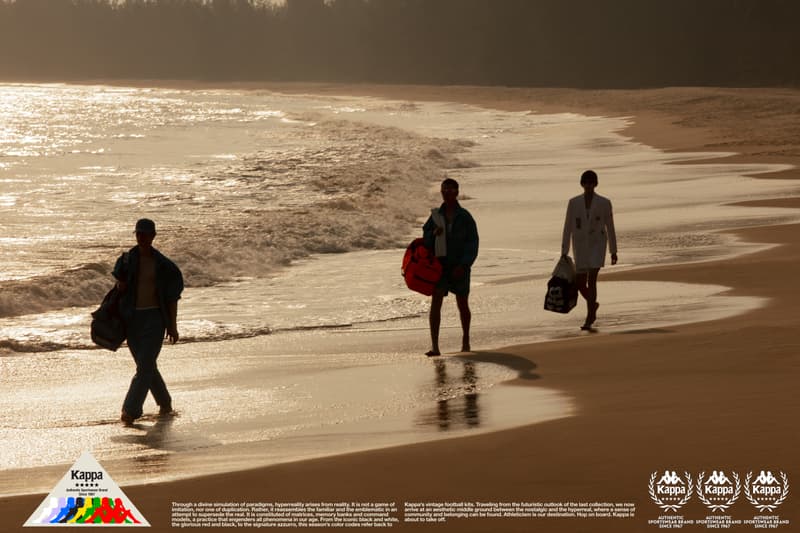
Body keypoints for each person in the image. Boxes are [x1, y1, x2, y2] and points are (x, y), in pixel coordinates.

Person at [113, 218, 183, 424]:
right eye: (138, 234)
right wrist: (121, 285)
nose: (142, 237)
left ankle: (130, 410)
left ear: (153, 236)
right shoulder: (126, 260)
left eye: (145, 234)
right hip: (132, 320)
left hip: (154, 319)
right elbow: (118, 287)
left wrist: (172, 325)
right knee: (146, 365)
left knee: (144, 367)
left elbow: (172, 299)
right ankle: (165, 401)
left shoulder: (164, 265)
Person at [423, 178, 479, 356]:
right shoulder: (435, 216)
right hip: (440, 266)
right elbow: (425, 239)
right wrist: (433, 234)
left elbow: (473, 242)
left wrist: (464, 264)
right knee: (436, 302)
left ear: (456, 192)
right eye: (443, 190)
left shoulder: (465, 217)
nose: (446, 193)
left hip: (460, 265)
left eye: (449, 190)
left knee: (462, 303)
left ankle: (466, 340)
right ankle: (435, 346)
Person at [561, 170, 618, 330]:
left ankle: (589, 318)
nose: (588, 186)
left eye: (591, 183)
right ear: (582, 184)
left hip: (597, 245)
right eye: (586, 182)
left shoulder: (604, 203)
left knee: (592, 281)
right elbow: (567, 227)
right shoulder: (574, 203)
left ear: (595, 184)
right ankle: (593, 305)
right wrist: (564, 251)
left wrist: (613, 251)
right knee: (580, 283)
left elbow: (610, 227)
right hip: (580, 246)